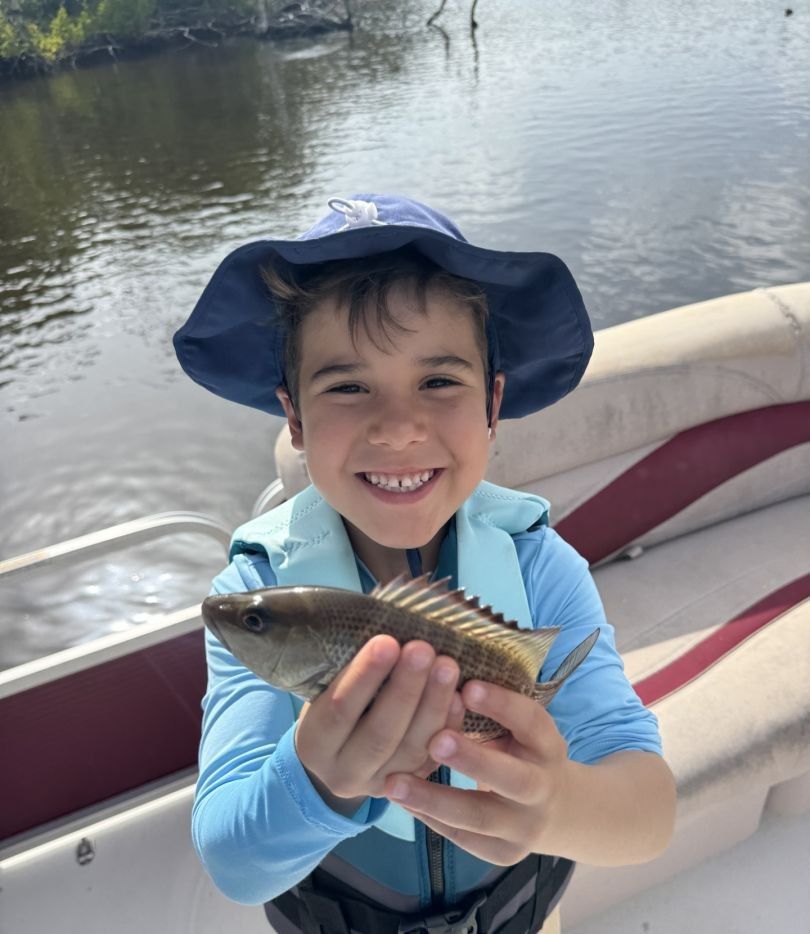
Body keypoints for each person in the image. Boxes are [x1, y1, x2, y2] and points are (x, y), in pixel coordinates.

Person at [173, 194, 676, 934]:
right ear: (296, 420)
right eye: (348, 386)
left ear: (492, 405)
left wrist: (556, 805)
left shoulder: (541, 567)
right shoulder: (256, 589)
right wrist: (318, 780)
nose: (401, 428)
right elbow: (234, 863)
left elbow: (650, 813)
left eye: (439, 382)